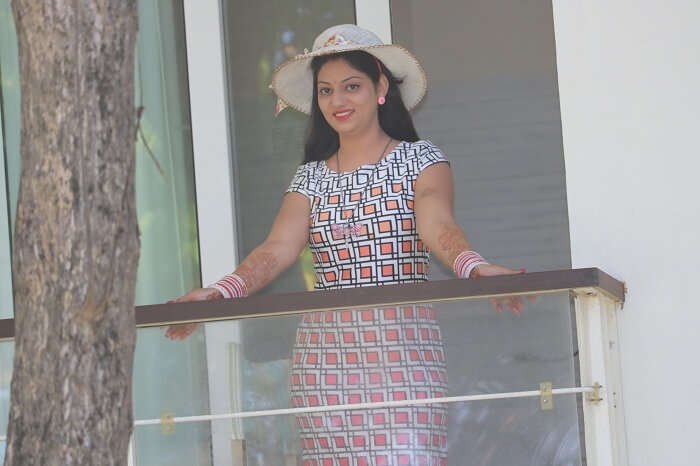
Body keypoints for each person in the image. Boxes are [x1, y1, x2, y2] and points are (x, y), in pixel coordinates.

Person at [166, 24, 525, 466]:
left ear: (380, 88)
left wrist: (474, 268)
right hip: (325, 360)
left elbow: (437, 225)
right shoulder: (310, 176)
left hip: (404, 354)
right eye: (326, 90)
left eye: (351, 86)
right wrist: (221, 291)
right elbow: (277, 249)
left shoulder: (421, 159)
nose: (337, 101)